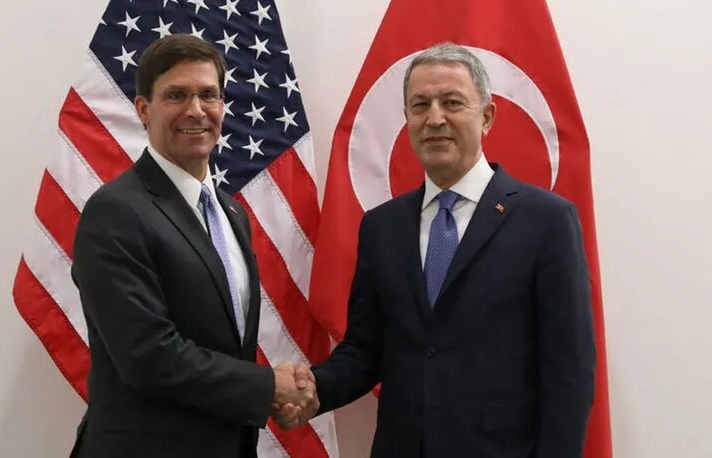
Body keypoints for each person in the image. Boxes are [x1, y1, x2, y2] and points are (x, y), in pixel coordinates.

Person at [277, 43, 596, 458]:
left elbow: (568, 371)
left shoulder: (546, 220)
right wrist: (314, 389)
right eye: (420, 105)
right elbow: (365, 351)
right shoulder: (382, 227)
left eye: (452, 102)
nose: (435, 118)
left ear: (486, 117)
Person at [69, 35, 315, 458]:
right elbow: (148, 356)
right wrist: (267, 386)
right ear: (143, 109)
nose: (196, 110)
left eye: (208, 95)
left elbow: (221, 344)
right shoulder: (115, 212)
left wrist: (274, 390)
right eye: (176, 95)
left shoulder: (231, 213)